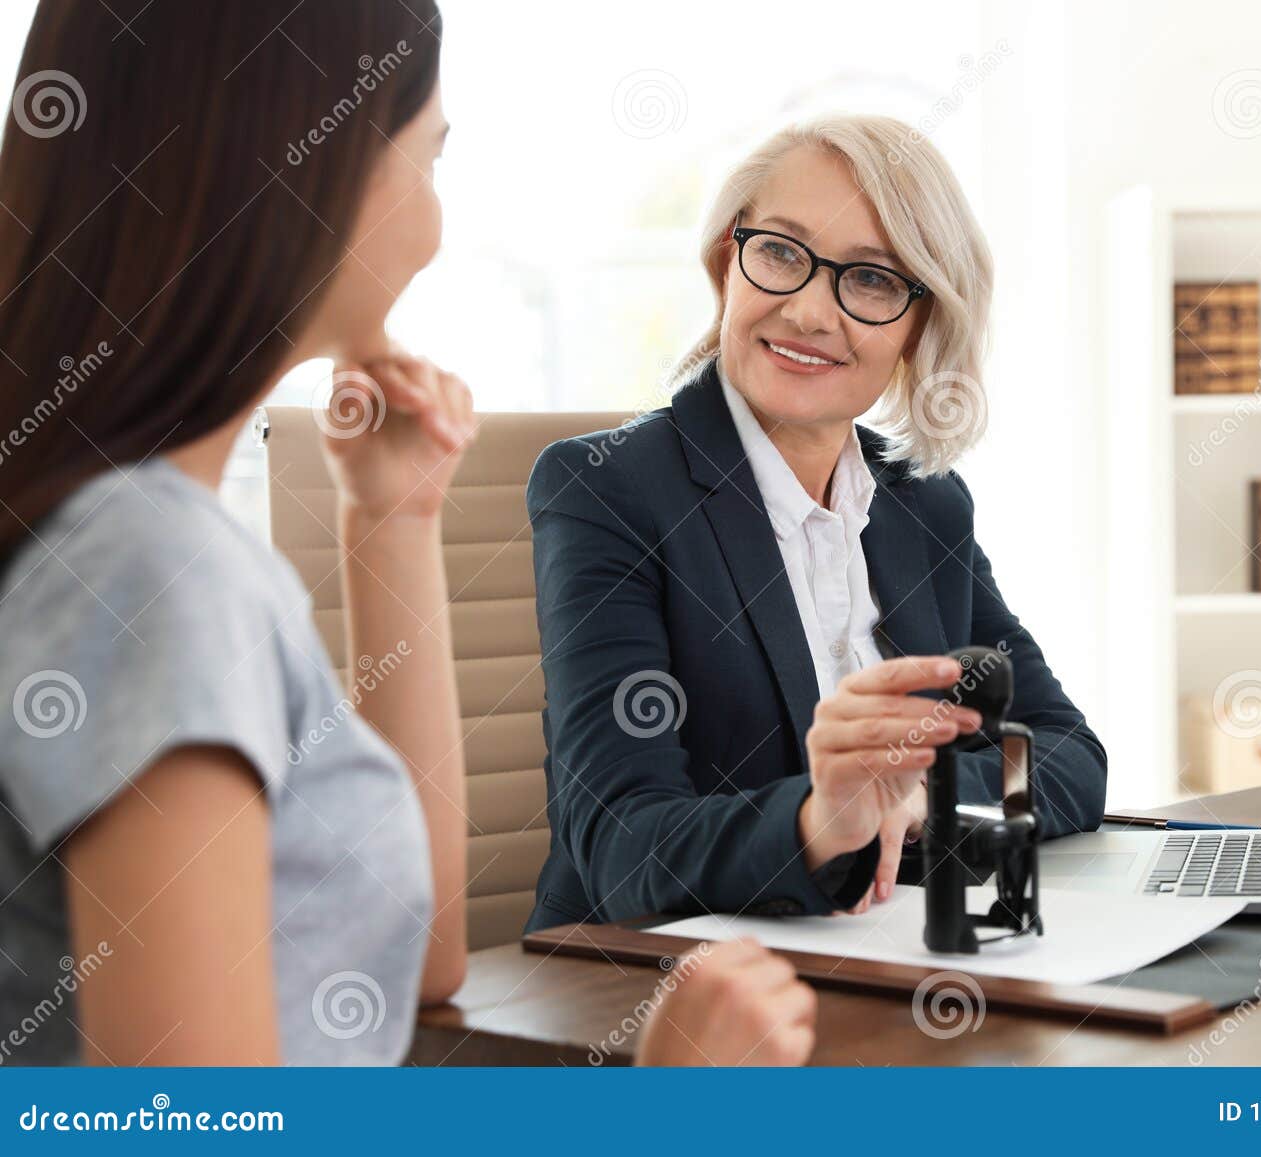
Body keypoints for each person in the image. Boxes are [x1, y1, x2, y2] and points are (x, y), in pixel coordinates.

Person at [0, 0, 813, 1067]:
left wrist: (391, 518)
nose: (435, 225)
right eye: (429, 159)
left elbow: (411, 959)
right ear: (307, 171)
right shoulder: (153, 566)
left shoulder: (138, 534)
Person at [526, 114, 1108, 933]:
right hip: (661, 981)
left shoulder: (925, 505)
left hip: (896, 949)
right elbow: (622, 849)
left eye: (870, 279)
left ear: (920, 325)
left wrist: (923, 796)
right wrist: (819, 820)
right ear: (727, 260)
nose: (807, 311)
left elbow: (1068, 753)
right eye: (781, 252)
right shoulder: (608, 490)